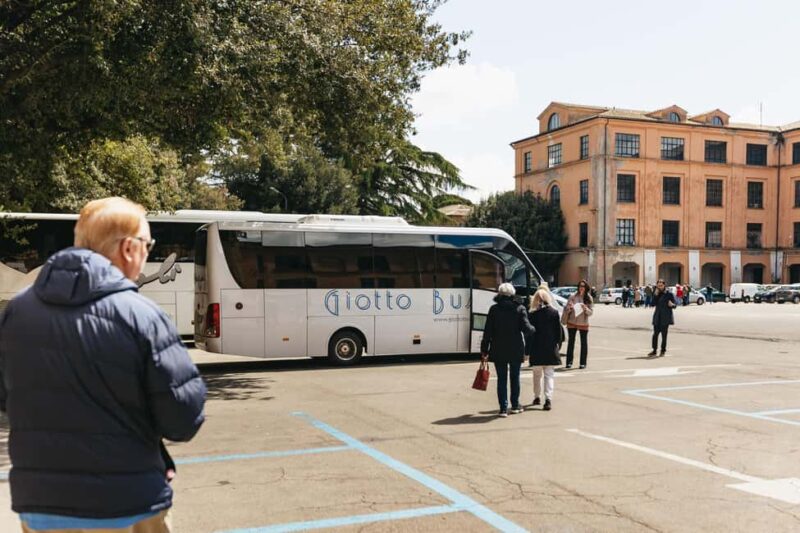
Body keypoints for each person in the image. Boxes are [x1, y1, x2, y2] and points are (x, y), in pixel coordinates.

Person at [0, 197, 207, 533]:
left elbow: (6, 396)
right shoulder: (143, 316)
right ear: (128, 248)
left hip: (40, 505)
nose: (147, 253)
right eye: (147, 244)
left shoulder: (17, 312)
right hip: (125, 504)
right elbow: (183, 419)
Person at [480, 283, 535, 417]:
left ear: (499, 294)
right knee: (515, 377)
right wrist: (534, 329)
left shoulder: (494, 309)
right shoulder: (519, 308)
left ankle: (503, 408)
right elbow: (527, 329)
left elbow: (487, 331)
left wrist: (484, 349)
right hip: (515, 348)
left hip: (498, 348)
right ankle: (515, 405)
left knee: (502, 379)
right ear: (512, 294)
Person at [526, 288, 562, 411]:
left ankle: (537, 396)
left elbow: (529, 335)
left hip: (536, 349)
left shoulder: (532, 315)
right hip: (550, 348)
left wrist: (527, 350)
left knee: (537, 375)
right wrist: (557, 344)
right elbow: (558, 332)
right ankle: (548, 399)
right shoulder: (554, 312)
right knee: (549, 375)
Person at [562, 279, 594, 369]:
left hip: (583, 323)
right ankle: (569, 362)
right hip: (572, 322)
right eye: (580, 286)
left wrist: (585, 309)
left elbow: (591, 313)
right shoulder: (572, 297)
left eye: (583, 286)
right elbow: (566, 310)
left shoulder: (589, 298)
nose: (581, 288)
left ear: (586, 287)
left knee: (584, 343)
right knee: (571, 343)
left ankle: (582, 363)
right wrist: (570, 308)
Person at [649, 278, 677, 356]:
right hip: (657, 317)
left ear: (664, 285)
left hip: (665, 317)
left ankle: (663, 350)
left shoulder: (669, 294)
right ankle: (654, 350)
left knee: (664, 335)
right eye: (658, 285)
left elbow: (675, 305)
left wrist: (672, 305)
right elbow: (652, 304)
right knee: (655, 335)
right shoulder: (656, 293)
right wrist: (655, 295)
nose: (659, 287)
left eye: (661, 285)